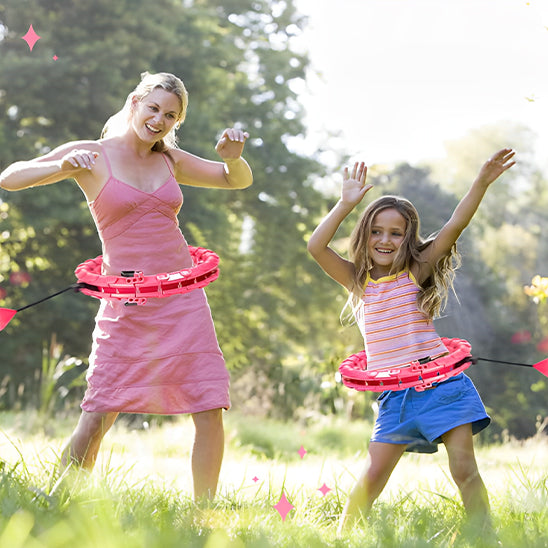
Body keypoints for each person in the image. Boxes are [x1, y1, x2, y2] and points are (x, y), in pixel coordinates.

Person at [0, 71, 253, 500]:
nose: (159, 119)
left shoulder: (170, 159)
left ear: (177, 121)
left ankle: (203, 514)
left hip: (183, 300)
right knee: (99, 414)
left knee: (209, 406)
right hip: (128, 304)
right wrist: (60, 166)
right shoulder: (92, 155)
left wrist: (233, 157)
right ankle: (58, 500)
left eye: (170, 115)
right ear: (135, 103)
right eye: (153, 108)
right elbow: (10, 177)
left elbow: (236, 180)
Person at [307, 149, 515, 531]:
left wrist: (481, 183)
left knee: (464, 470)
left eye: (396, 233)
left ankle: (485, 538)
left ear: (407, 239)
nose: (385, 240)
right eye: (377, 231)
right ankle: (343, 536)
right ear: (366, 235)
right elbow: (316, 247)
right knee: (372, 476)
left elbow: (455, 224)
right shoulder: (358, 282)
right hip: (395, 397)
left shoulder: (415, 272)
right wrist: (345, 203)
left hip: (443, 386)